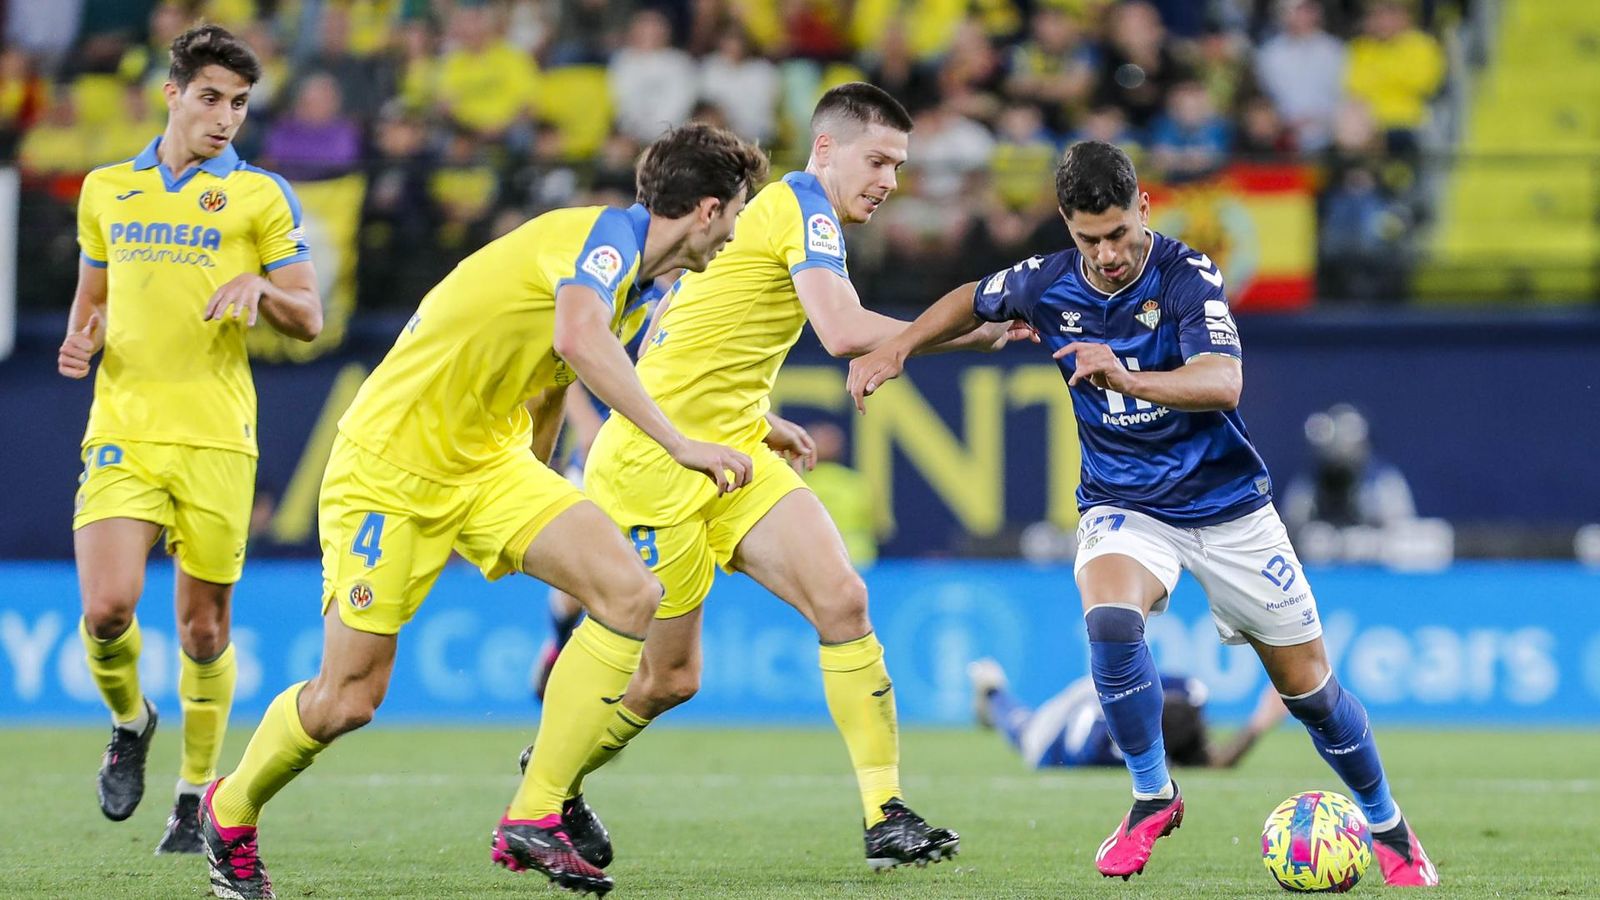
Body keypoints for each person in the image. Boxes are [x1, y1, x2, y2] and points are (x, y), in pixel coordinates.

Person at [197, 122, 767, 900]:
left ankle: (535, 812)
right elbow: (575, 340)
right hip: (389, 469)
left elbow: (552, 377)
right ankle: (228, 810)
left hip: (490, 464)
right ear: (706, 209)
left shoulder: (641, 286)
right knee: (349, 698)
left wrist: (533, 484)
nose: (735, 234)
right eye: (736, 213)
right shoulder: (602, 239)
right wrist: (679, 444)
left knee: (631, 593)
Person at [846, 140, 1439, 887]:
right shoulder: (1046, 281)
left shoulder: (1188, 274)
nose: (1110, 253)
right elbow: (971, 298)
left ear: (1144, 209)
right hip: (1126, 503)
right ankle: (1152, 796)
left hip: (1229, 510)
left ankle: (1387, 825)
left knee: (1312, 693)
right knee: (1111, 622)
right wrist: (898, 348)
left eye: (1120, 232)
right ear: (1066, 224)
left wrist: (1126, 375)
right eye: (1090, 237)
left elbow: (1223, 382)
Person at [562, 83, 1029, 873]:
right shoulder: (803, 204)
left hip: (735, 449)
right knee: (670, 678)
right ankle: (551, 788)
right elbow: (843, 330)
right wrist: (965, 333)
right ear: (825, 149)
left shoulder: (776, 215)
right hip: (656, 464)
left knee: (843, 598)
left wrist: (758, 413)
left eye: (899, 166)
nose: (888, 180)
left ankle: (886, 814)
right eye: (877, 160)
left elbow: (704, 326)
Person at [58, 23, 322, 856]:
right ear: (170, 93)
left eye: (240, 104)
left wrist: (259, 287)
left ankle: (194, 791)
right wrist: (81, 339)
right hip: (124, 430)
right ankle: (129, 721)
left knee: (204, 630)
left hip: (216, 437)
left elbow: (311, 316)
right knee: (106, 610)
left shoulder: (260, 195)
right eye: (211, 98)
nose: (226, 118)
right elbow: (93, 295)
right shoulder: (106, 188)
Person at [530, 272, 677, 703]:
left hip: (659, 458)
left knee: (639, 581)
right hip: (598, 455)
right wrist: (586, 423)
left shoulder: (695, 289)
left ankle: (607, 690)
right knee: (581, 580)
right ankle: (558, 647)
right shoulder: (626, 285)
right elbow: (569, 354)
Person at [967, 658, 1287, 770]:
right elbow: (1080, 749)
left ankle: (993, 691)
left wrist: (1260, 723)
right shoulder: (1115, 747)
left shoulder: (1175, 697)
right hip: (1057, 736)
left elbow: (1211, 762)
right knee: (1024, 730)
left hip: (1103, 697)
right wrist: (1257, 725)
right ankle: (993, 689)